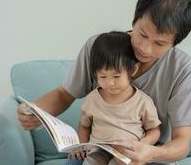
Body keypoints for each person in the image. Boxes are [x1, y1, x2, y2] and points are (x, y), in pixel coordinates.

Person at [17, 0, 191, 165]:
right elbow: (64, 94)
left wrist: (151, 153)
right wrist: (35, 111)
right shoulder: (99, 48)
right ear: (134, 19)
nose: (145, 49)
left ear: (174, 43)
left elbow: (182, 142)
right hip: (96, 151)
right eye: (142, 34)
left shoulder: (183, 70)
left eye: (160, 43)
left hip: (148, 154)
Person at [68, 31, 161, 165]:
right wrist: (81, 145)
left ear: (133, 69)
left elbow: (154, 130)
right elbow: (84, 126)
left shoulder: (143, 101)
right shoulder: (92, 99)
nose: (110, 83)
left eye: (116, 76)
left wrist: (142, 144)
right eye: (103, 77)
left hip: (128, 152)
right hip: (98, 150)